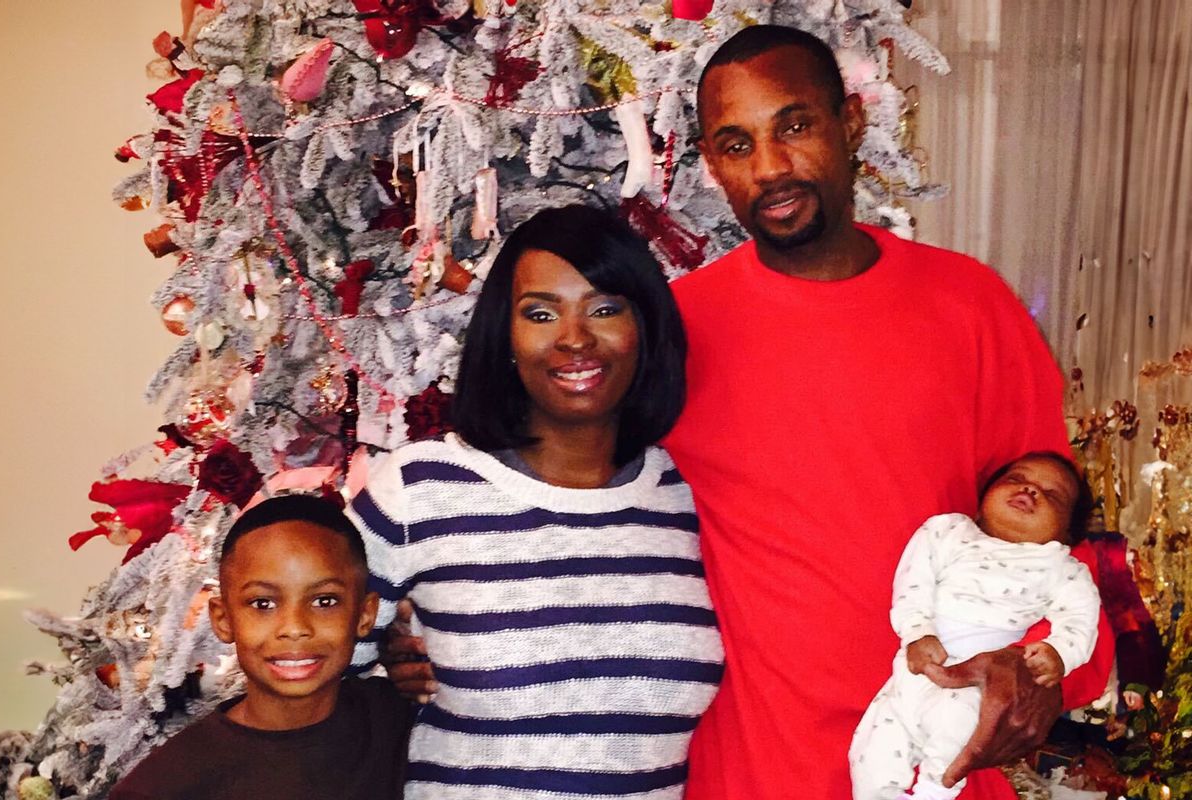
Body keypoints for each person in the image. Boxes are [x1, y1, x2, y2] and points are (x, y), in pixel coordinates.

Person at [385, 25, 1115, 800]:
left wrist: (1047, 671)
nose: (770, 167)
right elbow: (563, 495)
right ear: (710, 163)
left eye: (794, 127)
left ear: (853, 123)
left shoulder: (973, 309)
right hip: (751, 773)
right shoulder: (671, 331)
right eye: (735, 145)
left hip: (939, 766)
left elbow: (1067, 545)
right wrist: (436, 628)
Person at [347, 204, 723, 798]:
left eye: (604, 309)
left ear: (645, 329)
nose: (574, 339)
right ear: (506, 337)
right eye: (541, 314)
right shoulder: (422, 489)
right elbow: (311, 656)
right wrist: (386, 662)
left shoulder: (689, 495)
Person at [109, 494, 413, 800]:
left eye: (324, 601)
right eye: (262, 603)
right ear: (223, 619)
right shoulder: (161, 787)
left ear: (364, 614)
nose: (294, 628)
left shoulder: (396, 718)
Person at [850, 452, 1102, 800]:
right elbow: (913, 582)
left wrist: (1059, 653)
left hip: (976, 683)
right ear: (983, 502)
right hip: (913, 671)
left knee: (955, 736)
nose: (1030, 489)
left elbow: (1080, 619)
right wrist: (917, 631)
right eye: (1016, 479)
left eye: (1052, 494)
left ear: (1066, 533)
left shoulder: (1060, 566)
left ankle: (930, 795)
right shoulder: (948, 530)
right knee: (869, 754)